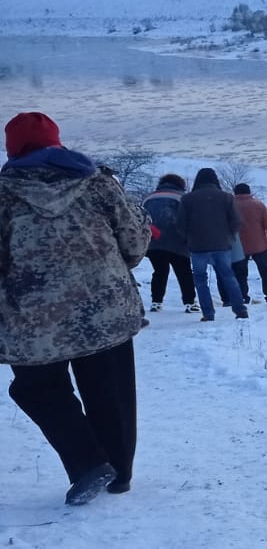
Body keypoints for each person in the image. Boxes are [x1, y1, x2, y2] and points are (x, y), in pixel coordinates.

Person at [0, 112, 149, 504]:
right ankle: (119, 473)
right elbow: (134, 242)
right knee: (111, 391)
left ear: (12, 149)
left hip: (31, 321)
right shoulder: (99, 183)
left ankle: (88, 464)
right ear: (57, 142)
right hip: (106, 311)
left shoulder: (1, 194)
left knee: (37, 389)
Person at [178, 168, 248, 321]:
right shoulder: (227, 198)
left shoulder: (188, 199)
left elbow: (181, 224)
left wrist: (187, 239)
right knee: (228, 277)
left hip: (197, 246)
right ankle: (240, 309)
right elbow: (236, 222)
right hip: (222, 244)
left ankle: (208, 313)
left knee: (201, 280)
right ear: (215, 180)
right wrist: (229, 236)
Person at [142, 173, 195, 313]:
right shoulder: (182, 198)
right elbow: (188, 220)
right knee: (184, 272)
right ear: (180, 184)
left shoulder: (149, 198)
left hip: (154, 242)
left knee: (159, 271)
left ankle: (156, 302)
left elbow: (141, 219)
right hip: (178, 242)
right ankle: (190, 302)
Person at [232, 183, 267, 304]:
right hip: (260, 245)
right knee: (265, 272)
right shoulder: (259, 205)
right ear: (249, 192)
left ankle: (243, 296)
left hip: (238, 247)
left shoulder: (231, 206)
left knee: (240, 274)